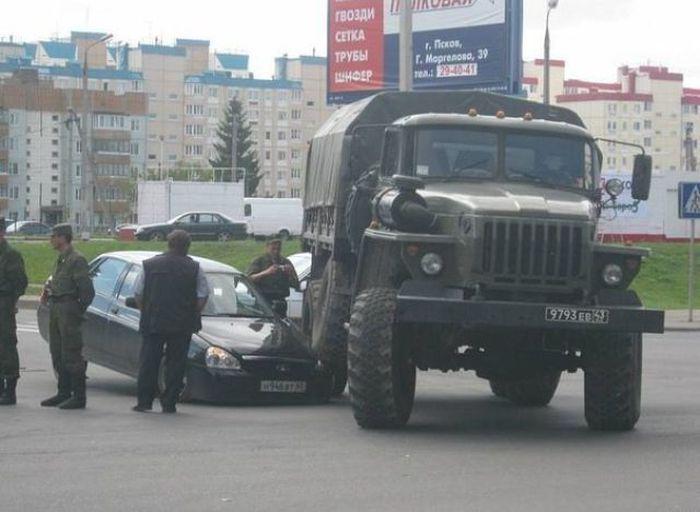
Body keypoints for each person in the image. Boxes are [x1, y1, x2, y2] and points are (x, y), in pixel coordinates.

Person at [132, 230, 209, 414]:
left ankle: (144, 402)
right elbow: (202, 295)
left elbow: (138, 292)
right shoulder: (195, 268)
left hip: (153, 322)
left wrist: (147, 311)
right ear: (187, 246)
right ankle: (169, 402)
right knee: (176, 364)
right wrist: (191, 312)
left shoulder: (149, 265)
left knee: (149, 363)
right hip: (182, 324)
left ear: (168, 243)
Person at [40, 224, 95, 410]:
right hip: (56, 307)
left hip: (68, 308)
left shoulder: (76, 260)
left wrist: (76, 309)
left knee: (71, 353)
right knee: (57, 351)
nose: (51, 239)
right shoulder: (61, 259)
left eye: (54, 236)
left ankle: (79, 396)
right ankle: (63, 392)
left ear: (63, 237)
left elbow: (87, 291)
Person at [0, 218, 28, 406]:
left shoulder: (10, 255)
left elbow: (20, 283)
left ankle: (10, 391)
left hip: (3, 305)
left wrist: (8, 300)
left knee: (6, 345)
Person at [247, 238, 299, 316]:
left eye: (278, 249)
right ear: (267, 247)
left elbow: (296, 284)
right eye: (273, 249)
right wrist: (266, 272)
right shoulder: (259, 261)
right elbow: (249, 279)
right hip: (263, 301)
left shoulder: (285, 262)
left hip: (280, 301)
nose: (276, 251)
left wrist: (290, 273)